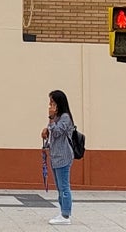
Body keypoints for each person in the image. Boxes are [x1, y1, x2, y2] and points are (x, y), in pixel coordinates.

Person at [41, 89, 74, 225]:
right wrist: (46, 130)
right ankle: (62, 212)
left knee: (64, 186)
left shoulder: (65, 117)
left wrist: (50, 118)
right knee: (60, 187)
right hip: (55, 157)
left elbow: (57, 132)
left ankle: (65, 215)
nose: (50, 105)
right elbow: (52, 133)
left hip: (63, 157)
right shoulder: (57, 118)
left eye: (52, 102)